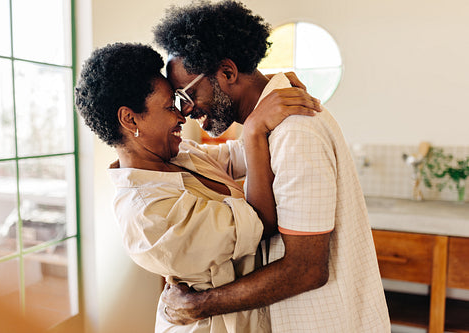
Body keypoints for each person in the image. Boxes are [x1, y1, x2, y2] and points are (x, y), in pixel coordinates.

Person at [154, 1, 391, 332]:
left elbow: (306, 269)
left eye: (185, 95)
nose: (185, 111)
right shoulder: (270, 129)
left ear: (227, 72)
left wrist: (199, 305)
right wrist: (252, 130)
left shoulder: (295, 131)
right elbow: (215, 156)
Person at [74, 42, 320, 332]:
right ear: (130, 119)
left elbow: (247, 154)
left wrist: (265, 91)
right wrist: (253, 128)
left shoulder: (182, 155)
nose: (182, 116)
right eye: (170, 107)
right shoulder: (147, 213)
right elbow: (260, 222)